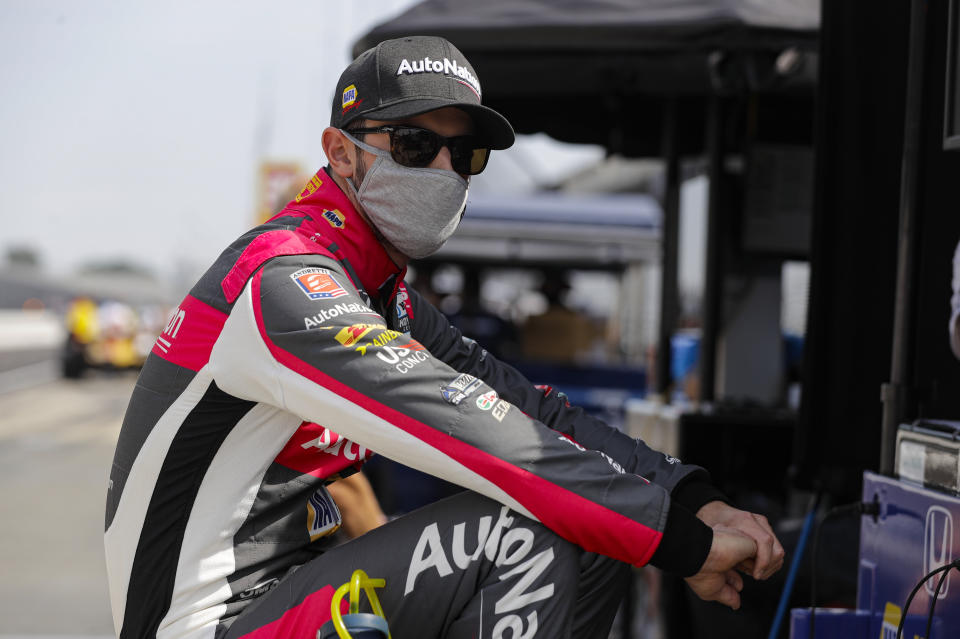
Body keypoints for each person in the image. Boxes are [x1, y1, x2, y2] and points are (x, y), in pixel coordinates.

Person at [104, 35, 783, 639]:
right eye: (413, 146)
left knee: (603, 522)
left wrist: (691, 498)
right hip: (211, 621)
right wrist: (685, 543)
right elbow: (486, 437)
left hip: (294, 593)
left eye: (464, 153)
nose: (442, 172)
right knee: (529, 528)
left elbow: (534, 410)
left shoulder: (382, 293)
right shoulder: (283, 281)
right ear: (341, 152)